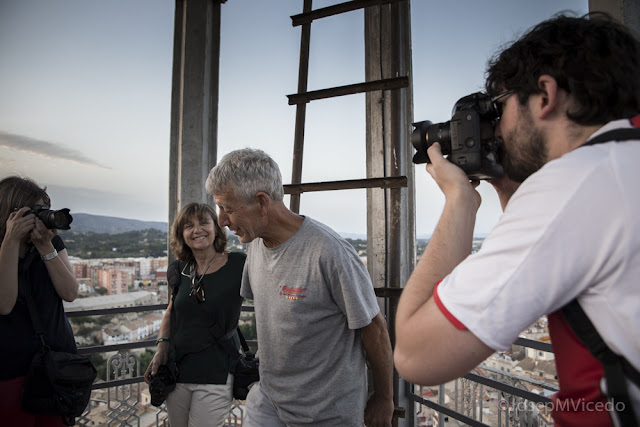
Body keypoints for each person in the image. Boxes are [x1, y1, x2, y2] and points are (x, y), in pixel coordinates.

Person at [394, 13, 640, 426]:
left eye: (500, 107)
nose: (499, 129)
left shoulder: (576, 182)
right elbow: (539, 265)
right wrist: (508, 184)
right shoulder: (618, 165)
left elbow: (415, 355)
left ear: (545, 95)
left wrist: (459, 200)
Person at [206, 148, 394, 427]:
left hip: (326, 413)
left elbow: (374, 329)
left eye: (228, 209)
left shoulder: (329, 252)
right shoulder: (255, 245)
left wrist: (383, 398)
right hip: (268, 400)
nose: (221, 220)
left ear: (261, 202)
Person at [144, 202, 246, 427]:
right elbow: (172, 311)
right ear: (182, 234)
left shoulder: (239, 265)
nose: (197, 230)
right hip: (178, 370)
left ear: (216, 228)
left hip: (217, 372)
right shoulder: (179, 269)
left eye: (203, 223)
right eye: (188, 226)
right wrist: (161, 347)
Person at [0, 176, 79, 426]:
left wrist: (45, 247)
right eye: (36, 212)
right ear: (12, 212)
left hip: (56, 368)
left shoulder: (51, 243)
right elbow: (4, 303)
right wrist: (11, 242)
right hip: (9, 371)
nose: (43, 217)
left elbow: (70, 292)